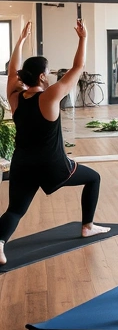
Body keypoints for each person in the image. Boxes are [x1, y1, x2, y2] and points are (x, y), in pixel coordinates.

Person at [0, 22, 109, 266]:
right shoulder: (50, 96)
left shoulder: (15, 97)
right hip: (52, 165)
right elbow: (79, 67)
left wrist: (19, 41)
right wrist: (84, 37)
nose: (50, 75)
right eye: (47, 72)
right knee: (94, 178)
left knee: (15, 210)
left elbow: (12, 72)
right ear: (41, 76)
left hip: (23, 164)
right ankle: (88, 226)